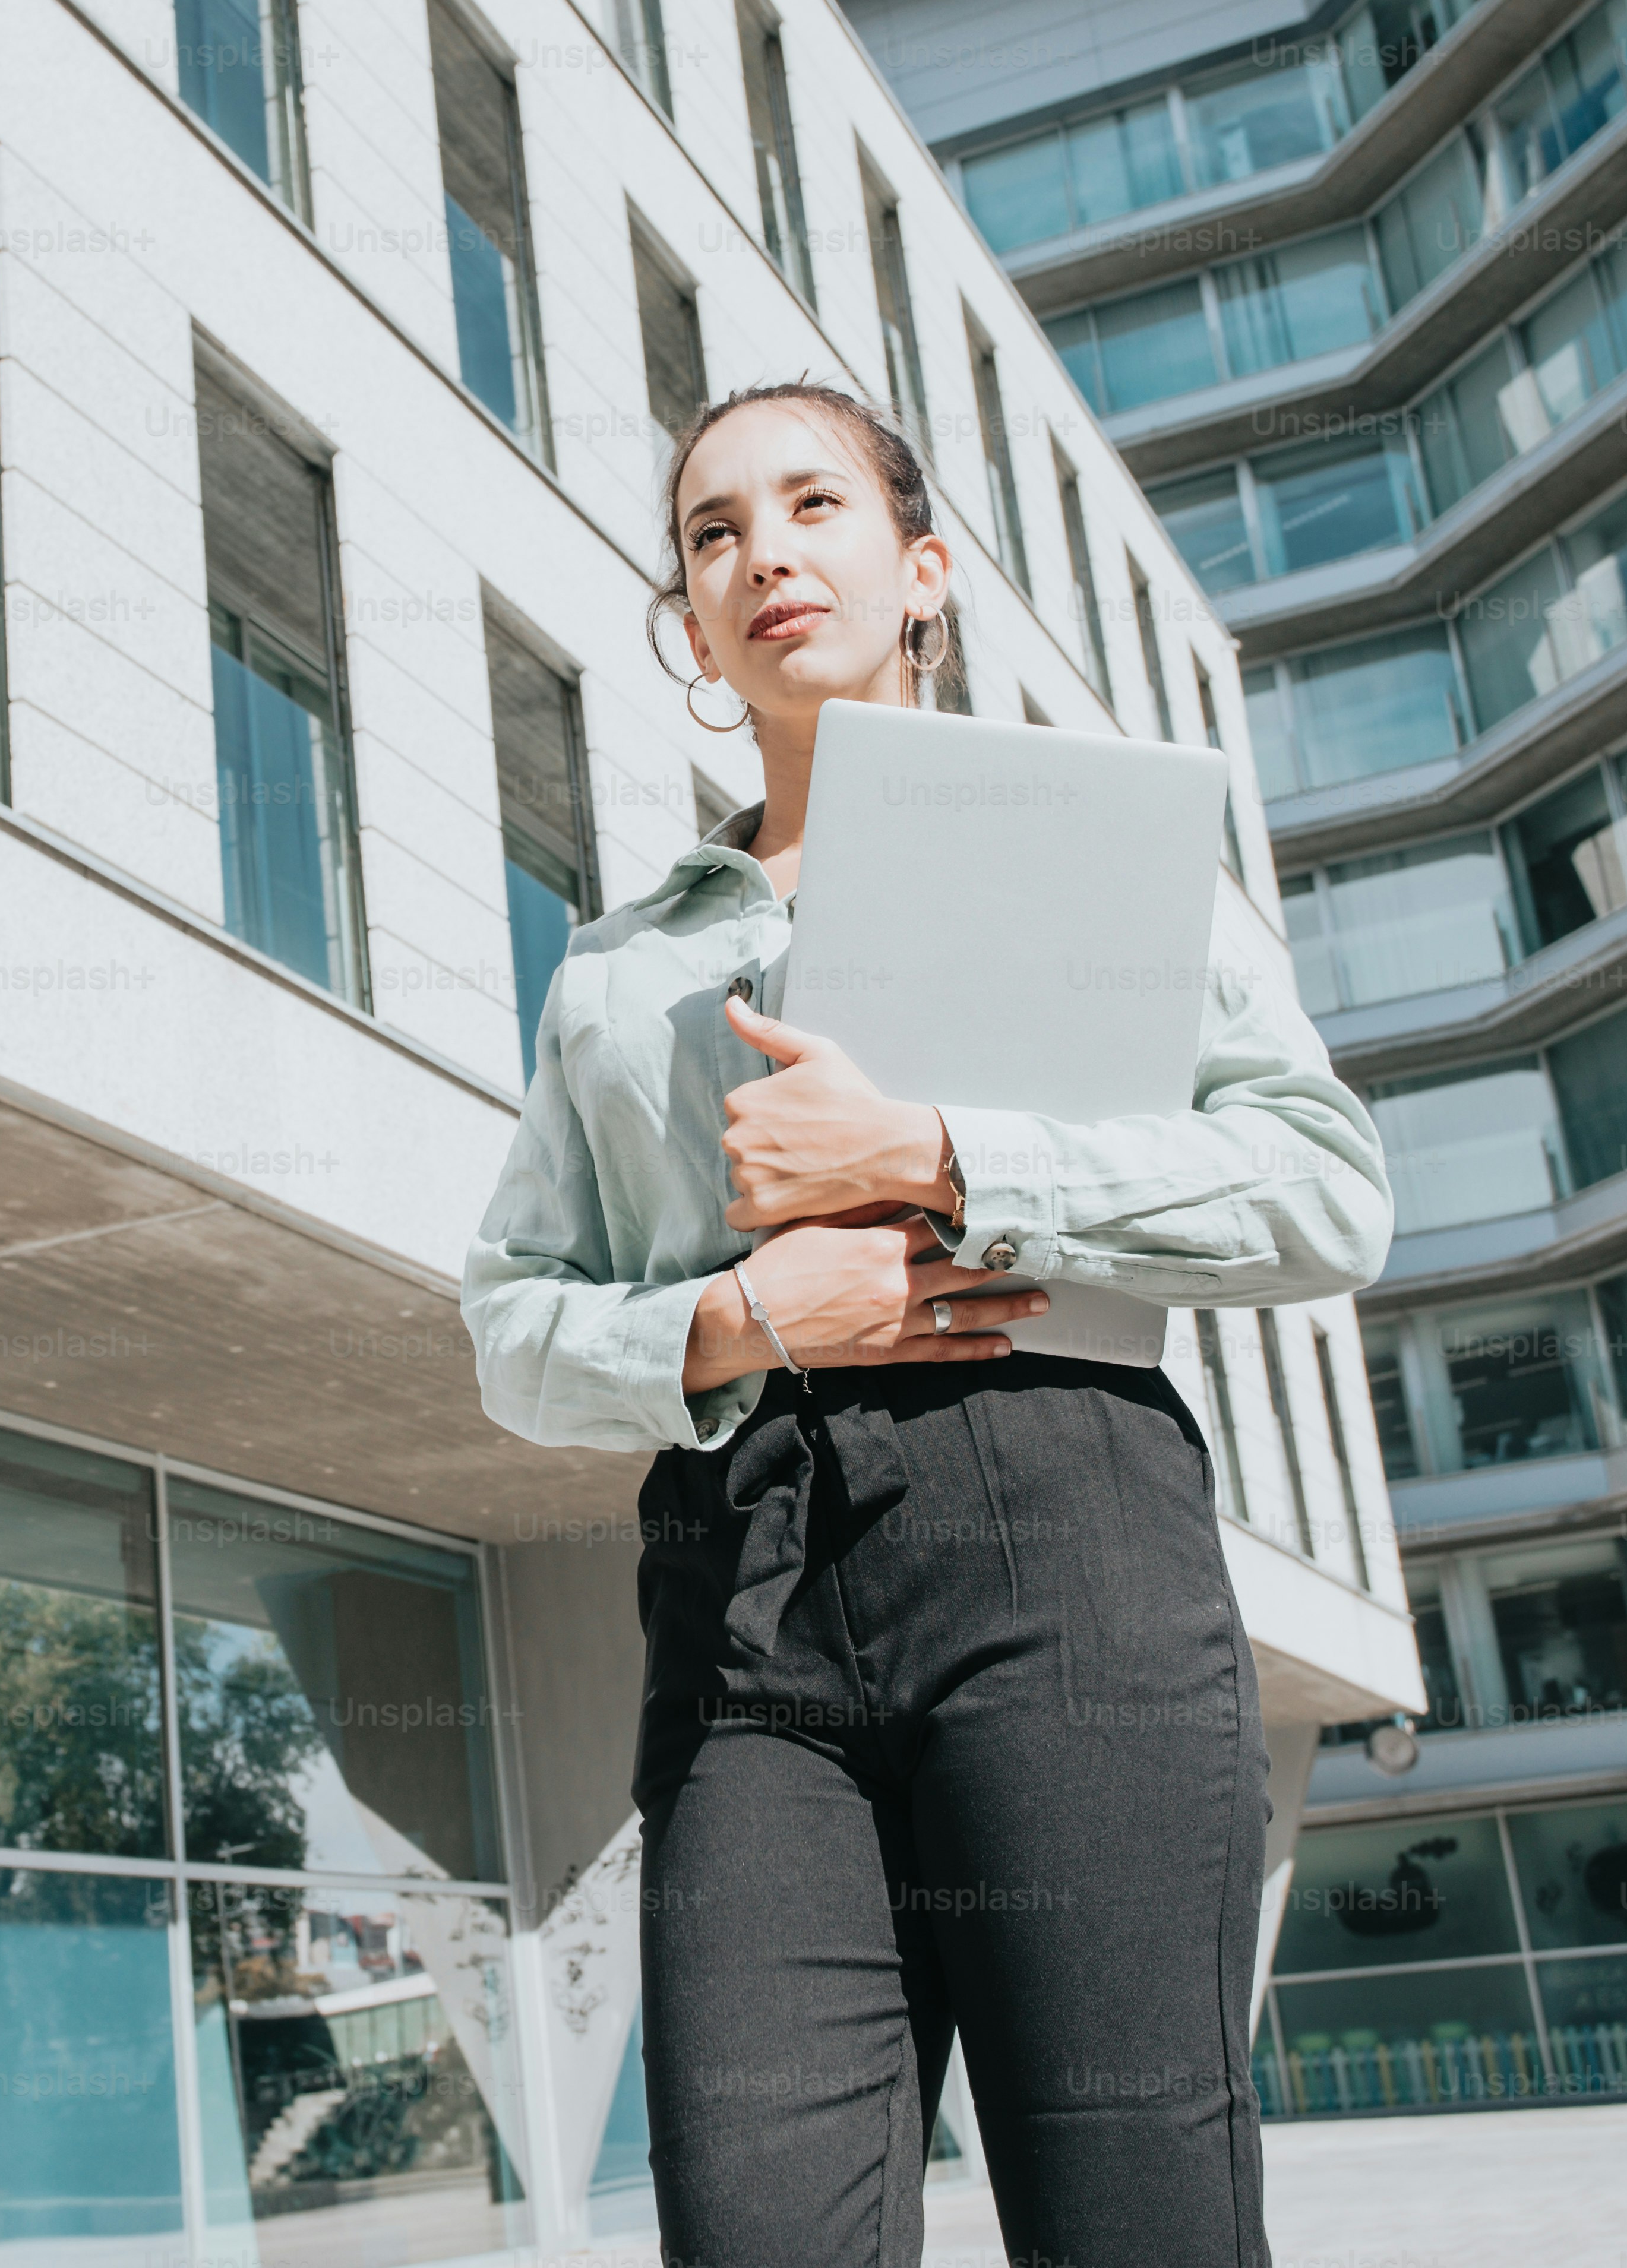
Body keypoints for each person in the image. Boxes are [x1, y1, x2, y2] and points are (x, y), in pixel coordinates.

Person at [462, 381, 1391, 2267]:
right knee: (754, 2227)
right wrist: (729, 1316)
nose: (760, 554)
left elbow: (1321, 1191)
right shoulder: (617, 967)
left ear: (920, 569)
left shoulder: (1088, 855)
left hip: (1065, 1545)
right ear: (694, 622)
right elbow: (510, 1325)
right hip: (743, 1594)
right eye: (712, 532)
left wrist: (946, 1153)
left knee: (1131, 2206)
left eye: (811, 506)